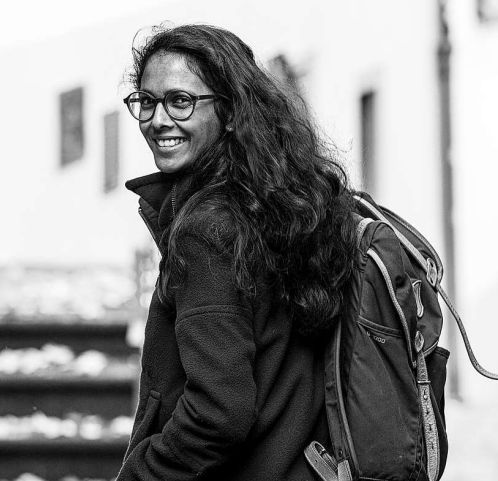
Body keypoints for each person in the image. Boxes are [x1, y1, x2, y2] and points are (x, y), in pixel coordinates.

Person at [117, 24, 357, 481]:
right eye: (146, 101)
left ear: (229, 113)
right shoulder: (278, 201)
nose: (158, 119)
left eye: (181, 101)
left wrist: (140, 475)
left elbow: (217, 412)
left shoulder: (208, 232)